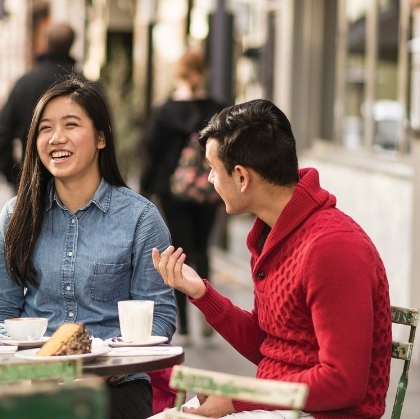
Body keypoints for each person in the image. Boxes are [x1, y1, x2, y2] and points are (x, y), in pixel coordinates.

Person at [152, 99, 393, 419]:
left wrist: (239, 399)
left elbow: (344, 383)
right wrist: (202, 294)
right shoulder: (274, 236)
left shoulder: (332, 247)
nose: (209, 179)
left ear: (241, 177)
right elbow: (272, 346)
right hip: (280, 408)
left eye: (212, 169)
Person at [0, 78, 176, 419]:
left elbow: (159, 317)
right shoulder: (16, 214)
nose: (56, 138)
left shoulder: (141, 218)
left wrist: (104, 369)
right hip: (31, 378)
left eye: (71, 125)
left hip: (115, 384)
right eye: (45, 129)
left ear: (102, 137)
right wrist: (26, 361)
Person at [140, 51, 226, 339]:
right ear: (204, 72)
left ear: (179, 74)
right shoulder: (217, 109)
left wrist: (146, 189)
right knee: (202, 249)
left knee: (179, 251)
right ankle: (208, 312)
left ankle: (185, 325)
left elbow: (151, 152)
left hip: (172, 190)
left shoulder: (165, 111)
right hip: (209, 186)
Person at [0, 22, 82, 189]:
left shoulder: (26, 83)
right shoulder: (83, 84)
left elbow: (1, 133)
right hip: (75, 182)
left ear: (45, 44)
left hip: (34, 181)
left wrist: (15, 177)